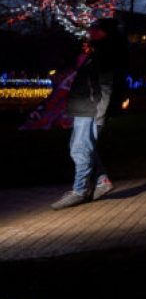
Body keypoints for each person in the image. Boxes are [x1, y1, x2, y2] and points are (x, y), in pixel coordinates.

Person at [51, 18, 128, 210]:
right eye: (91, 28)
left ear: (106, 32)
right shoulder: (97, 52)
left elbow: (107, 85)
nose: (91, 31)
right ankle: (101, 181)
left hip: (91, 109)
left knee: (81, 149)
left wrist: (101, 114)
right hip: (84, 107)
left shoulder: (108, 53)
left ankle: (80, 191)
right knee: (80, 148)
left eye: (96, 29)